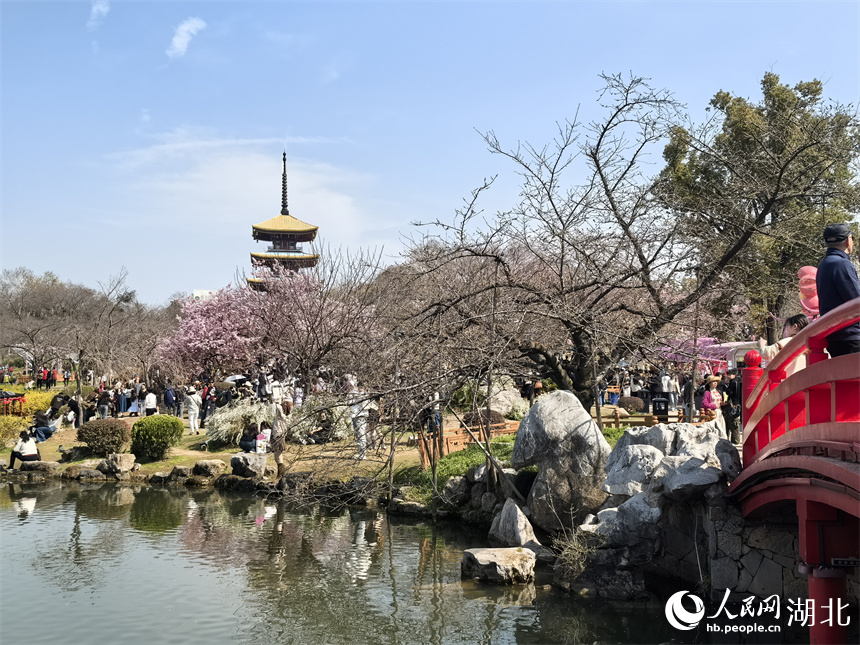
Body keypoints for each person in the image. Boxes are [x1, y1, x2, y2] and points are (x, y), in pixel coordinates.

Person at [816, 222, 860, 357]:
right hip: (851, 336)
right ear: (848, 240)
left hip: (834, 335)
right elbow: (856, 300)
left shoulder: (824, 264)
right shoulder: (842, 264)